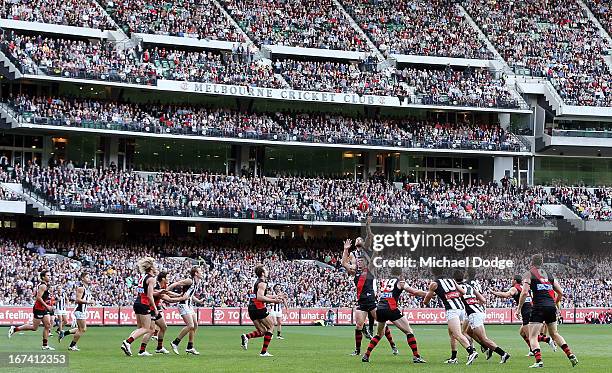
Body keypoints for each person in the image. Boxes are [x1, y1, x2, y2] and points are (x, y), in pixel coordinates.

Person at [341, 217, 397, 357]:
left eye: (361, 239)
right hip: (361, 301)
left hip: (371, 300)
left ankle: (393, 345)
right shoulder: (354, 262)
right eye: (357, 239)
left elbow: (371, 239)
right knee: (358, 326)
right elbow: (344, 263)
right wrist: (345, 250)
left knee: (382, 323)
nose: (359, 240)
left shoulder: (369, 262)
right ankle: (358, 350)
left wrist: (368, 226)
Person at [518, 254, 578, 368]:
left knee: (533, 336)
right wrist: (554, 303)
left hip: (538, 307)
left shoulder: (528, 273)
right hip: (551, 307)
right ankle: (570, 355)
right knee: (554, 334)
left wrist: (519, 308)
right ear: (542, 262)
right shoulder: (549, 274)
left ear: (532, 262)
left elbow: (525, 292)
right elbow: (560, 292)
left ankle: (539, 361)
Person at [361, 267, 426, 364]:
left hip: (380, 308)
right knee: (409, 332)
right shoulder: (400, 282)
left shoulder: (387, 282)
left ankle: (366, 355)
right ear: (400, 274)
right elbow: (415, 292)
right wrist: (427, 294)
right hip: (391, 308)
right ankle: (416, 356)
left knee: (379, 334)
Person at [423, 268, 478, 365]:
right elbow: (463, 292)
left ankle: (471, 351)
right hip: (461, 308)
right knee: (452, 334)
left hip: (452, 310)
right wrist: (453, 296)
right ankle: (453, 358)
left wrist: (425, 302)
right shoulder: (451, 280)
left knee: (457, 334)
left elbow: (427, 298)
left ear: (432, 273)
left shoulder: (434, 284)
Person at [492, 275, 556, 356]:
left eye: (512, 279)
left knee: (531, 336)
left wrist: (494, 293)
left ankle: (547, 340)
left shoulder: (514, 288)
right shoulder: (524, 287)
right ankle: (532, 349)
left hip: (526, 312)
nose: (511, 281)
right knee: (522, 332)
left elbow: (506, 295)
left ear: (515, 280)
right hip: (531, 309)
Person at [459, 269, 510, 363]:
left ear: (467, 274)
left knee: (473, 335)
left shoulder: (464, 285)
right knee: (468, 331)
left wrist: (471, 305)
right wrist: (475, 304)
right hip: (480, 309)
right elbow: (482, 299)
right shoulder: (477, 283)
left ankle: (501, 353)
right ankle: (485, 347)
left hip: (473, 312)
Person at [240, 265, 284, 357]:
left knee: (262, 331)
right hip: (258, 307)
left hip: (251, 308)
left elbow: (261, 295)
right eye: (266, 270)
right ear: (263, 273)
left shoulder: (257, 282)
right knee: (271, 326)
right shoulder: (262, 283)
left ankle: (246, 337)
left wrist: (275, 296)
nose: (267, 271)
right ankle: (263, 352)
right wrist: (274, 301)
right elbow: (260, 297)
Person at [121, 257, 161, 357]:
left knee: (140, 328)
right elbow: (149, 295)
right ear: (151, 268)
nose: (156, 268)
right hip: (144, 303)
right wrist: (155, 309)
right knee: (146, 328)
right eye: (155, 266)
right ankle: (127, 342)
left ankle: (137, 348)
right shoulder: (151, 279)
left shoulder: (143, 277)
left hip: (137, 302)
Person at [8, 270, 55, 350]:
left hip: (44, 308)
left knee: (47, 325)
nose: (49, 277)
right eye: (48, 275)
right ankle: (15, 329)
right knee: (34, 327)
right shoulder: (43, 286)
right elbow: (38, 298)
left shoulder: (46, 285)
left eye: (50, 275)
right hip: (39, 308)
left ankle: (45, 345)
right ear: (43, 277)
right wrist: (47, 306)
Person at [168, 266, 206, 355]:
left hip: (189, 305)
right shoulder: (190, 280)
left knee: (195, 325)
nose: (202, 273)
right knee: (190, 325)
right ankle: (175, 342)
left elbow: (191, 295)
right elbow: (175, 284)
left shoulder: (198, 282)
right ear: (196, 273)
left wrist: (199, 301)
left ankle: (190, 347)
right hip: (183, 304)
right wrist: (165, 291)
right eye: (200, 271)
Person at [58, 272, 94, 351]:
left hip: (82, 311)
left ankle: (64, 333)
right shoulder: (81, 288)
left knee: (81, 329)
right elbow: (77, 300)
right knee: (82, 329)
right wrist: (88, 302)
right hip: (80, 311)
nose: (89, 278)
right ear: (82, 279)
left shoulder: (86, 288)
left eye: (89, 277)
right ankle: (72, 345)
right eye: (87, 277)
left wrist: (89, 301)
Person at [150, 271, 183, 354]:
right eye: (167, 277)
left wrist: (178, 295)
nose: (169, 278)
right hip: (150, 308)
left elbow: (167, 293)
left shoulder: (163, 285)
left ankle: (159, 347)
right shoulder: (156, 285)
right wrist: (180, 298)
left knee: (163, 327)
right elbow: (167, 298)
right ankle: (133, 345)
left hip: (155, 308)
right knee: (148, 330)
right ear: (163, 278)